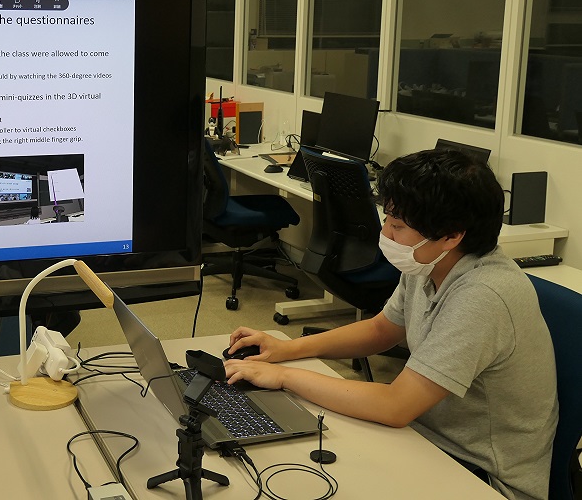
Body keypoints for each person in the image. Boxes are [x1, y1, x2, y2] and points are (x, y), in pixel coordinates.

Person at [224, 149, 557, 500]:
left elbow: (395, 406)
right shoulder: (429, 261)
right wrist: (287, 349)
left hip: (480, 474)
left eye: (398, 226)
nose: (385, 233)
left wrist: (284, 376)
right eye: (388, 219)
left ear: (451, 235)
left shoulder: (483, 295)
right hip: (425, 436)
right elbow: (381, 330)